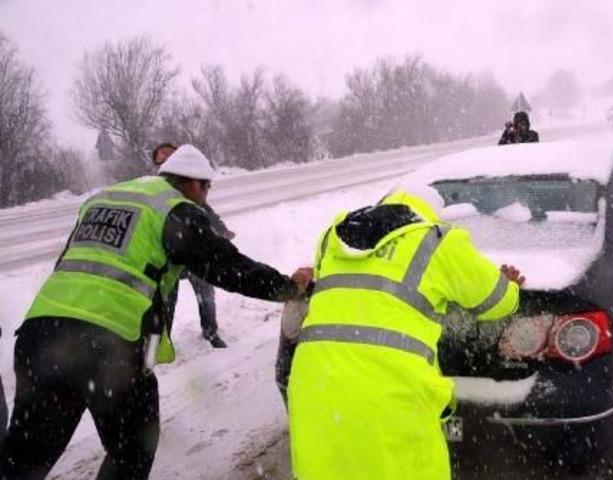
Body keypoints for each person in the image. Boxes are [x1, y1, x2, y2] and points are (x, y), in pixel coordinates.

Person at [0, 144, 313, 479]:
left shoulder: (106, 199)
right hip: (109, 346)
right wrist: (288, 287)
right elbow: (228, 267)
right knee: (132, 449)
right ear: (193, 183)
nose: (205, 197)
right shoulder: (174, 208)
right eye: (206, 188)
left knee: (25, 458)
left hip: (42, 338)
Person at [287, 184, 525, 480]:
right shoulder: (438, 240)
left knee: (326, 468)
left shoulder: (332, 237)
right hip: (391, 391)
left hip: (315, 385)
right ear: (433, 212)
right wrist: (510, 286)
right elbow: (497, 303)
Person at [151, 143, 232, 348]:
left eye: (171, 157)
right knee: (166, 302)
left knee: (206, 293)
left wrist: (221, 230)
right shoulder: (155, 189)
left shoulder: (188, 186)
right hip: (169, 258)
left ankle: (211, 332)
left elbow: (205, 210)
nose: (166, 161)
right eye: (162, 159)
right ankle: (161, 339)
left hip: (193, 254)